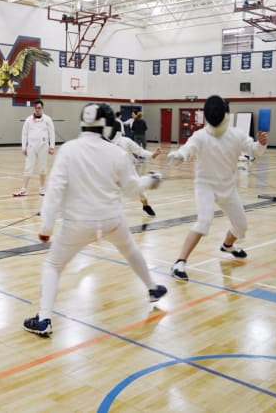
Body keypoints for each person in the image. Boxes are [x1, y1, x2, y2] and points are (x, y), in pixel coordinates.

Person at [22, 103, 167, 336]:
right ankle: (152, 288)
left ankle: (44, 318)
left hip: (77, 224)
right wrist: (152, 180)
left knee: (53, 265)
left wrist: (46, 226)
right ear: (107, 125)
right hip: (112, 221)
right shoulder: (116, 152)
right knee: (130, 250)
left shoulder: (69, 150)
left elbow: (55, 190)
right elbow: (131, 189)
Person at [167, 95, 268, 282]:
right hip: (205, 186)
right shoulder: (200, 136)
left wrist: (261, 143)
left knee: (241, 226)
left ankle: (228, 246)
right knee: (204, 222)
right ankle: (179, 263)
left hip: (228, 188)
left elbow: (253, 150)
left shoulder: (236, 135)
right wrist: (179, 155)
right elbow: (188, 148)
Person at [111, 120, 162, 216]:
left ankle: (146, 206)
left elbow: (140, 151)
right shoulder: (107, 143)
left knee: (140, 189)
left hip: (129, 171)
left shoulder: (125, 141)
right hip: (113, 173)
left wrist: (152, 155)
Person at [14, 99, 55, 197]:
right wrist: (24, 147)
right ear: (34, 109)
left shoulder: (47, 119)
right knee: (28, 168)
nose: (37, 110)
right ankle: (23, 189)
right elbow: (24, 134)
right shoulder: (28, 120)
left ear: (42, 108)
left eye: (39, 108)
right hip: (31, 147)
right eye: (36, 108)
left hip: (43, 147)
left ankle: (42, 189)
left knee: (43, 168)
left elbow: (52, 133)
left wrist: (52, 146)